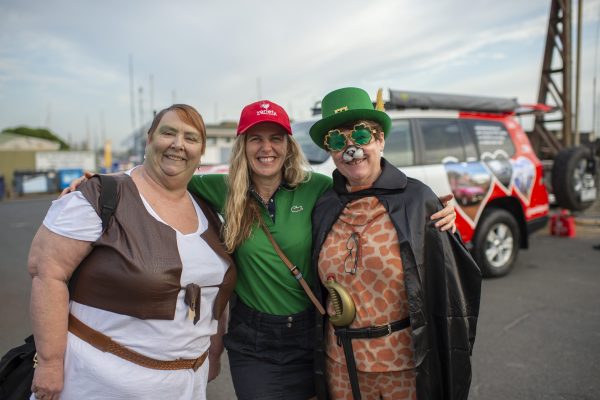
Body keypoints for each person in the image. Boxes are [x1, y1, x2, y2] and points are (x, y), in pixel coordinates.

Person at [64, 100, 457, 400]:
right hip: (253, 341)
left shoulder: (317, 187)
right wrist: (100, 184)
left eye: (275, 138)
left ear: (288, 145)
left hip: (310, 335)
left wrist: (433, 203)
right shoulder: (216, 188)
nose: (266, 148)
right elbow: (158, 178)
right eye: (256, 138)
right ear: (243, 145)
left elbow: (372, 187)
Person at [27, 104, 236, 400]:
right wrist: (49, 362)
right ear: (149, 140)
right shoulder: (102, 196)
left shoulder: (210, 212)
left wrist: (212, 354)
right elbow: (46, 272)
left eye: (191, 138)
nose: (178, 144)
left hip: (186, 387)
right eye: (168, 133)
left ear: (201, 152)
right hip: (98, 384)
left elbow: (212, 297)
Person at [308, 87, 482, 400]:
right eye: (337, 141)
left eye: (361, 136)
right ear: (331, 152)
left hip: (402, 366)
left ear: (380, 140)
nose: (351, 149)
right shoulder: (323, 206)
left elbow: (449, 283)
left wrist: (450, 228)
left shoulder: (418, 200)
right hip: (340, 363)